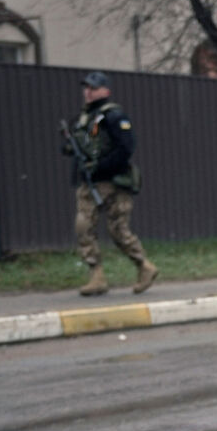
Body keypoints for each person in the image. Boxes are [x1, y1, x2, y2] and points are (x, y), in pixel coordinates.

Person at [62, 70, 156, 296]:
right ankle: (97, 276)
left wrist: (101, 166)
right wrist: (70, 146)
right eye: (86, 88)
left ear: (105, 91)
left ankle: (145, 266)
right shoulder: (84, 119)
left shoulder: (114, 116)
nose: (88, 92)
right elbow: (74, 148)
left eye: (93, 88)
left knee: (118, 230)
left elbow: (126, 147)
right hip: (90, 183)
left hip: (114, 181)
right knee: (84, 226)